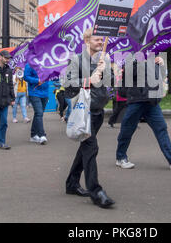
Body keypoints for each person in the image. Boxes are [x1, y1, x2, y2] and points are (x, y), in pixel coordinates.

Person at [62, 28, 115, 209]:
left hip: (98, 111)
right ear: (86, 40)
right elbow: (68, 84)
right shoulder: (76, 59)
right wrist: (88, 80)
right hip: (84, 112)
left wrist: (106, 70)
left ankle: (71, 184)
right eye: (97, 39)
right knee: (91, 147)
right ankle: (96, 191)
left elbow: (109, 82)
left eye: (102, 40)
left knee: (85, 148)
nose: (100, 42)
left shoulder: (104, 59)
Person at [115, 52, 171, 170]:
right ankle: (120, 157)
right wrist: (147, 62)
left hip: (152, 100)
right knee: (127, 129)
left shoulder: (154, 55)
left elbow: (158, 76)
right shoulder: (131, 56)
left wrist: (160, 65)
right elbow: (130, 75)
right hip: (137, 99)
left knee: (161, 129)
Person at [24, 62, 49, 144]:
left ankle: (33, 135)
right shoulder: (30, 64)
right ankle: (42, 135)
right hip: (34, 92)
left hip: (45, 93)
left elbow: (51, 75)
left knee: (38, 114)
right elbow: (26, 77)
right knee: (39, 113)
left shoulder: (47, 62)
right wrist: (37, 80)